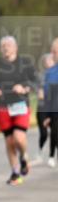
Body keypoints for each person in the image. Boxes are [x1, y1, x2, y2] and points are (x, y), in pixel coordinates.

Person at [0, 36, 38, 186]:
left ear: (15, 48)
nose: (5, 48)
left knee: (18, 137)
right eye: (3, 46)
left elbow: (35, 81)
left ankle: (24, 157)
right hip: (3, 106)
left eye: (8, 45)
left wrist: (24, 88)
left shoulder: (25, 63)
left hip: (20, 104)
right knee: (9, 141)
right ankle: (15, 173)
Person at [41, 38, 58, 169]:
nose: (54, 54)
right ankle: (52, 155)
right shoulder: (50, 73)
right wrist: (46, 115)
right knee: (54, 133)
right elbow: (47, 96)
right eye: (54, 51)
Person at [36, 51, 54, 163]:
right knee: (44, 133)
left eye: (50, 60)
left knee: (55, 132)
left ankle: (52, 156)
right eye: (46, 61)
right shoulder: (40, 76)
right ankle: (40, 150)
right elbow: (39, 90)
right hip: (42, 108)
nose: (48, 63)